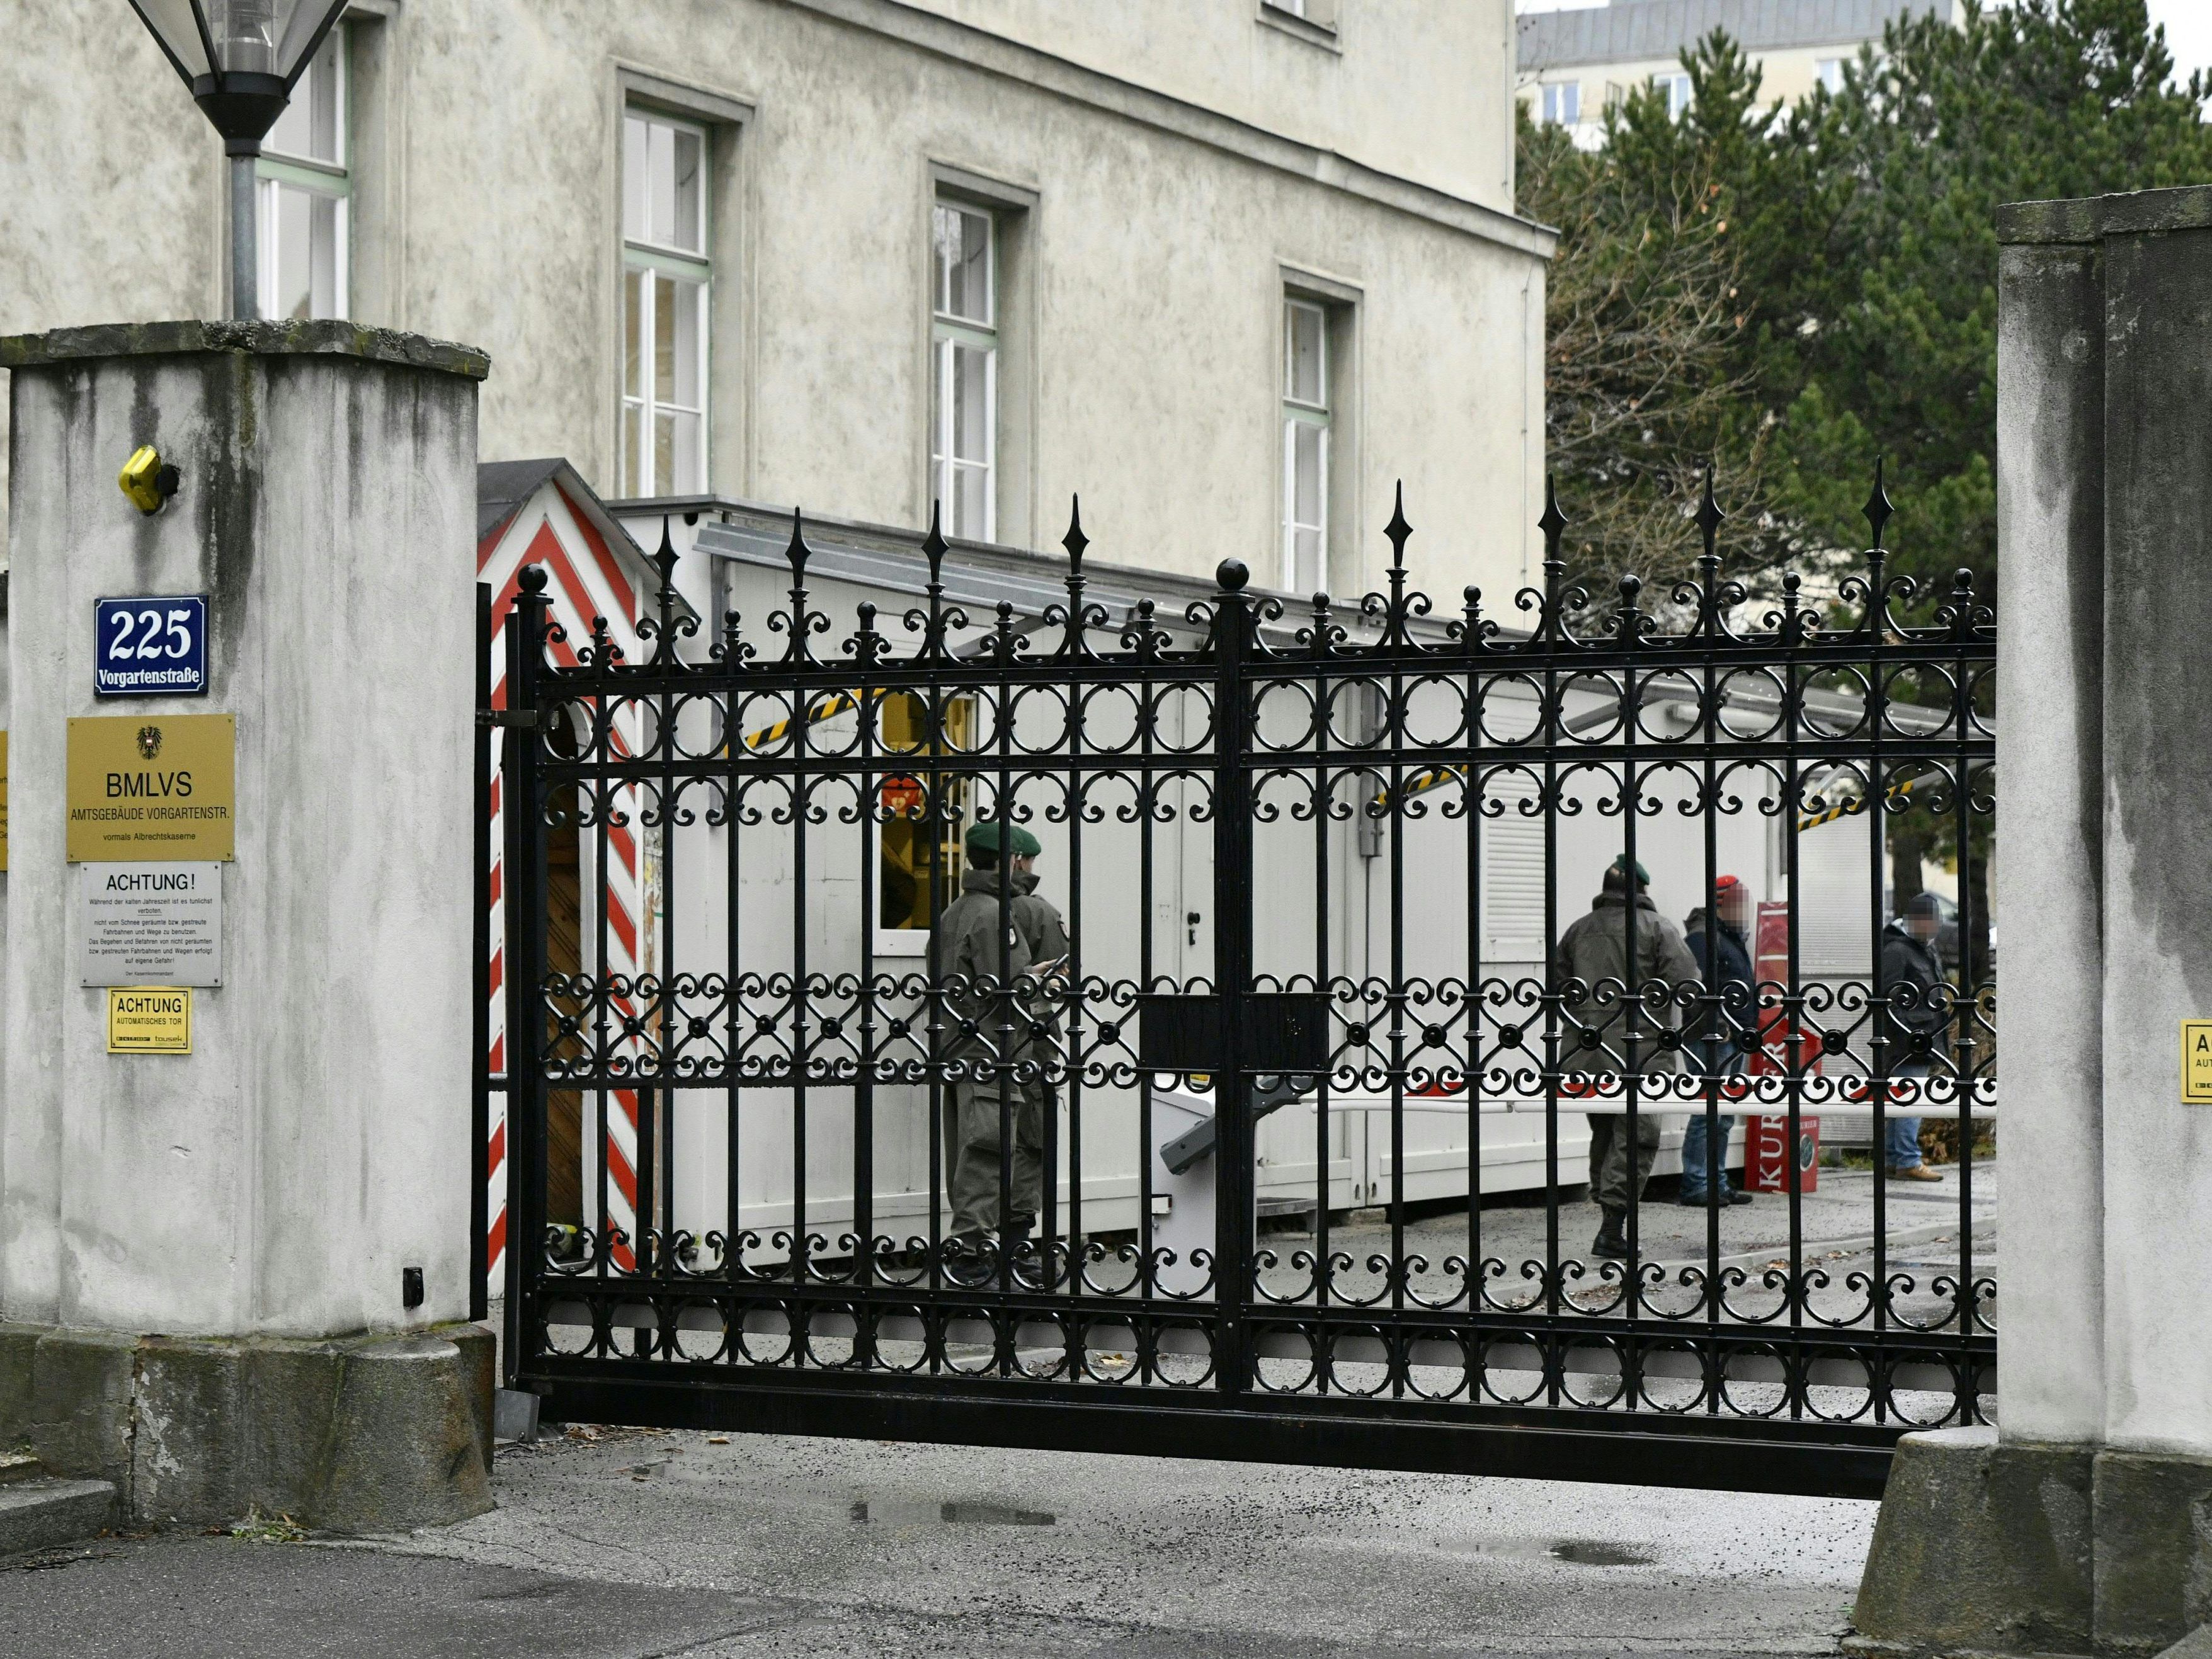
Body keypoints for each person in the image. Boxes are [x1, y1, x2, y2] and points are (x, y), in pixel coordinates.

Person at [932, 820, 1061, 1282]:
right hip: (994, 1049)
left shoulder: (955, 911)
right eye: (1022, 861)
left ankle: (977, 1248)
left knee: (972, 1149)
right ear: (1010, 861)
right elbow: (1004, 988)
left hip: (960, 1047)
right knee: (992, 1150)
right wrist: (1037, 976)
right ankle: (972, 1254)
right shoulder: (993, 915)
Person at [1553, 856, 1700, 1260]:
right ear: (1642, 890)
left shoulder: (1578, 930)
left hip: (1586, 1053)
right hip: (1641, 1054)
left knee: (1604, 1133)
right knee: (1637, 1136)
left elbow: (1556, 990)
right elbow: (1689, 985)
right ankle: (1612, 1226)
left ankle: (1607, 1214)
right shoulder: (1658, 929)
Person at [1681, 876, 1757, 1208]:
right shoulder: (1703, 936)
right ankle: (1697, 1185)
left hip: (1733, 1036)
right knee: (1706, 1111)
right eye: (1739, 903)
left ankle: (1718, 1183)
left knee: (1723, 1114)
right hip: (1711, 1037)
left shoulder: (1729, 936)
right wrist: (1721, 1024)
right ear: (1721, 904)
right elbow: (1696, 987)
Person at [1879, 890, 1949, 1183]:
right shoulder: (1897, 951)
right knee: (1912, 1100)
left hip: (1924, 1035)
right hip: (1908, 1041)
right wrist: (1912, 1031)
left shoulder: (1925, 949)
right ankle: (1907, 1160)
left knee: (1902, 1101)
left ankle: (1895, 1159)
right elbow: (1889, 998)